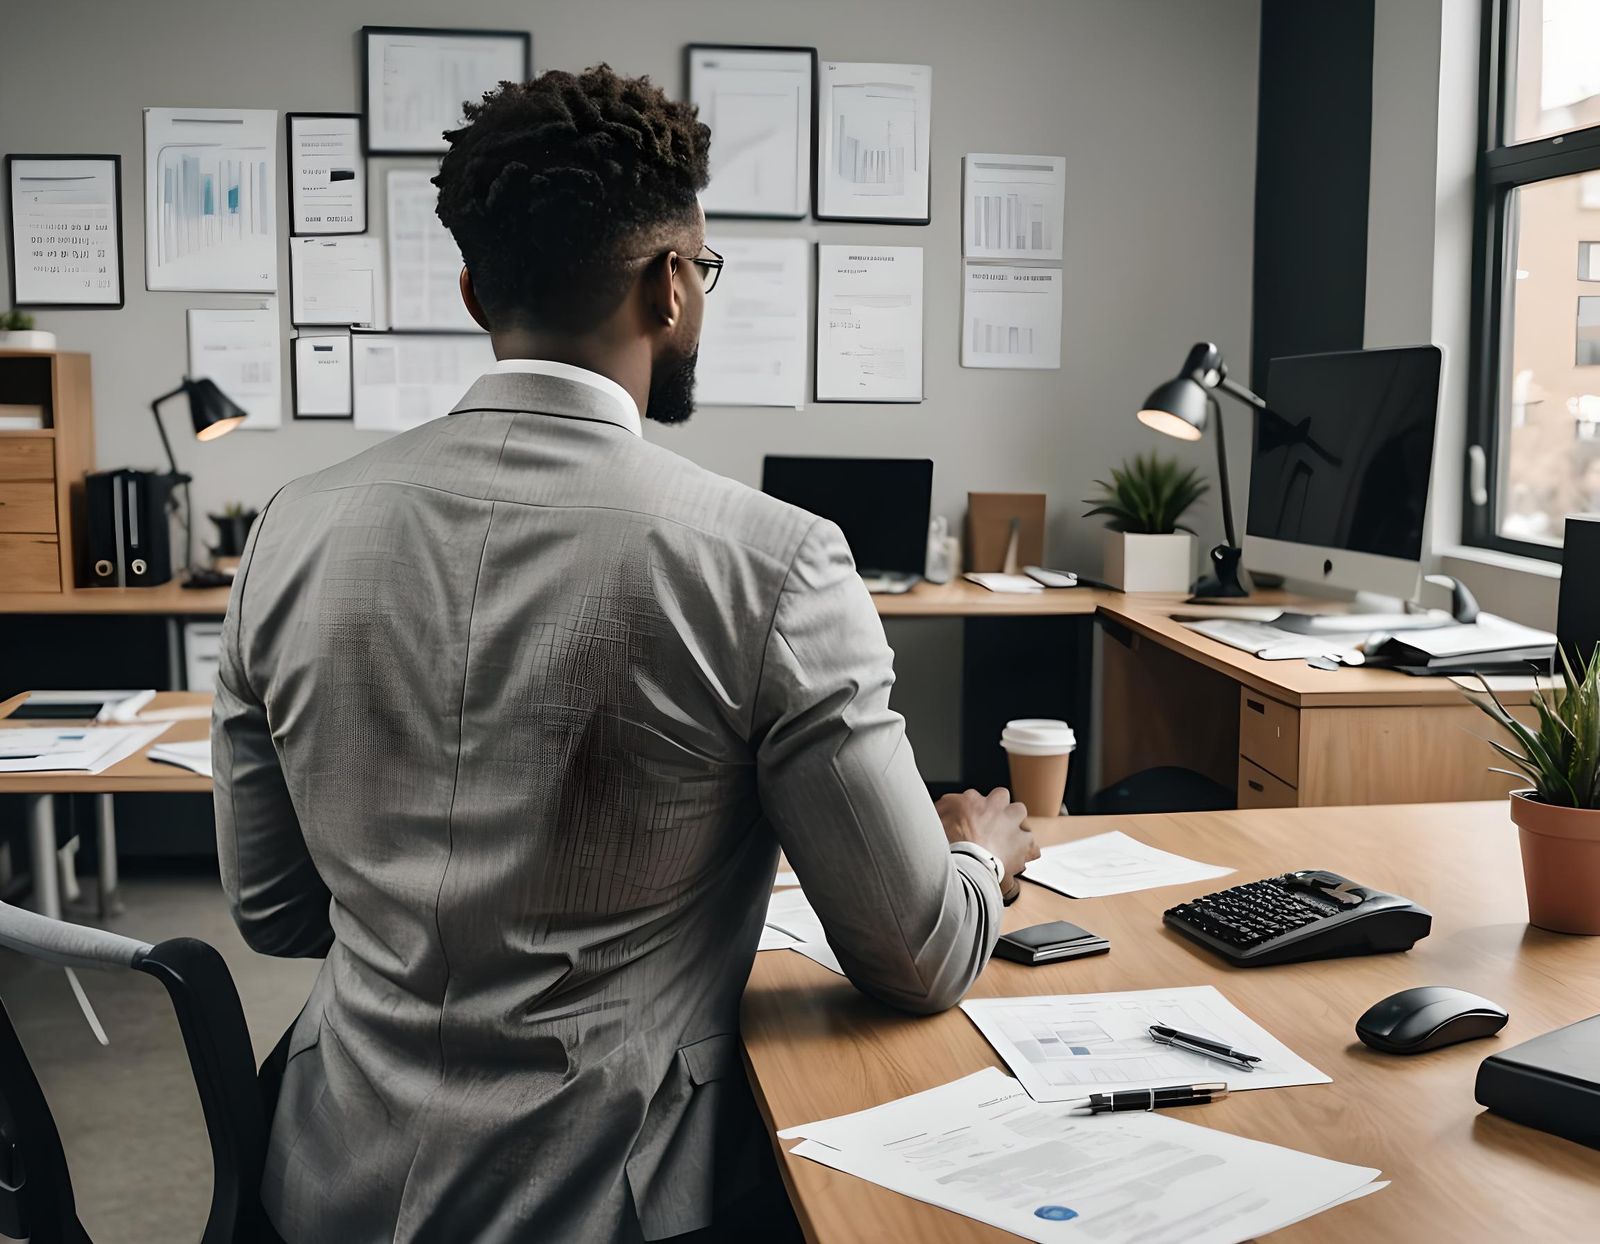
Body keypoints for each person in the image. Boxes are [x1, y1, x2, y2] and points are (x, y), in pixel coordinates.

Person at [213, 65, 1036, 1244]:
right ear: (668, 287)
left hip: (318, 1187)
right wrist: (976, 856)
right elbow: (918, 957)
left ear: (469, 289)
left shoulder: (289, 526)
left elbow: (281, 913)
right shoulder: (774, 560)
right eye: (699, 267)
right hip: (614, 1203)